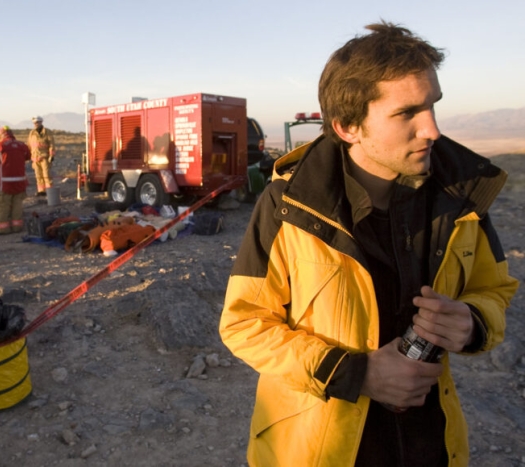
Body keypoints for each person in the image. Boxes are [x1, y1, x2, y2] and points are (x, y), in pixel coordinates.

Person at [219, 22, 519, 467]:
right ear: (347, 126)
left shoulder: (460, 195)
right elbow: (244, 324)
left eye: (433, 106)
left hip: (430, 445)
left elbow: (494, 291)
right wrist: (356, 373)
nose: (432, 130)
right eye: (407, 114)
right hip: (319, 450)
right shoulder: (291, 204)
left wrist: (472, 321)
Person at [0, 126, 30, 234]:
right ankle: (17, 226)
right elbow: (27, 157)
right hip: (20, 181)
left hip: (4, 182)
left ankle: (3, 228)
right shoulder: (22, 146)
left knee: (2, 205)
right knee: (17, 204)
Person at [27, 116, 55, 196]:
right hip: (35, 158)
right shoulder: (32, 133)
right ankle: (41, 191)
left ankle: (50, 191)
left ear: (41, 122)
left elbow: (51, 144)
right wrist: (29, 156)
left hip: (45, 158)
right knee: (38, 176)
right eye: (35, 123)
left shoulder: (47, 132)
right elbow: (29, 145)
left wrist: (51, 155)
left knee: (46, 175)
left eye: (38, 122)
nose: (36, 124)